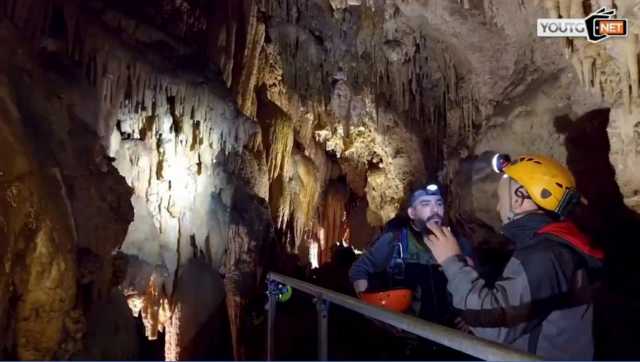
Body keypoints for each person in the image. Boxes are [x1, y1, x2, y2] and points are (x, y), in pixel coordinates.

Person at [425, 154, 604, 360]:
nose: (499, 208)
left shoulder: (545, 255)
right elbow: (525, 313)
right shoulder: (555, 248)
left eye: (501, 200)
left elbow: (494, 324)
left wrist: (452, 262)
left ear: (519, 199)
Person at [349, 183, 473, 327]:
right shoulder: (395, 241)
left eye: (439, 203)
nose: (435, 210)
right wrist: (371, 308)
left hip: (450, 334)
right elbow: (359, 270)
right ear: (412, 213)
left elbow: (476, 284)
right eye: (426, 204)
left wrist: (472, 317)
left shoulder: (457, 243)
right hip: (408, 334)